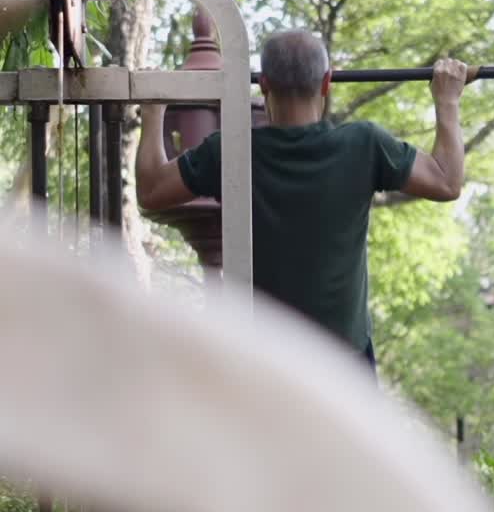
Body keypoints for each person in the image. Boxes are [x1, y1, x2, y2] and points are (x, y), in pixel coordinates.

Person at [136, 30, 467, 367]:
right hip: (344, 363)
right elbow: (447, 181)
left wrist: (153, 112)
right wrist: (447, 102)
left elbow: (151, 191)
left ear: (264, 84)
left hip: (264, 362)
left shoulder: (230, 149)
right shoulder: (364, 144)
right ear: (326, 83)